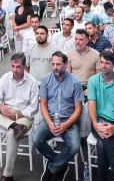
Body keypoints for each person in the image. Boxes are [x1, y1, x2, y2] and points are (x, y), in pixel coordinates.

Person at [0, 52, 39, 181]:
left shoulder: (32, 82)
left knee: (10, 134)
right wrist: (2, 107)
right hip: (7, 112)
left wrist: (17, 115)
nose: (15, 70)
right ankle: (14, 126)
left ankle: (8, 175)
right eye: (13, 66)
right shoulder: (5, 77)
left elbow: (34, 107)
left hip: (23, 115)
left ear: (24, 66)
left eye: (18, 67)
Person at [34, 51, 84, 181]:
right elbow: (43, 104)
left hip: (69, 119)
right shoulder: (46, 79)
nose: (55, 67)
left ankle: (52, 168)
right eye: (53, 64)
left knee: (74, 147)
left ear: (66, 64)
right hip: (50, 117)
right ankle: (61, 165)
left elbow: (78, 109)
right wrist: (50, 123)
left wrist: (65, 125)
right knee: (37, 140)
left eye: (59, 64)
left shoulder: (75, 82)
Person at [88, 51, 114, 181]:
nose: (103, 66)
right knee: (104, 135)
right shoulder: (93, 80)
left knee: (101, 143)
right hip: (98, 121)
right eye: (101, 62)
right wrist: (95, 123)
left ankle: (103, 178)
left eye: (107, 63)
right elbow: (92, 106)